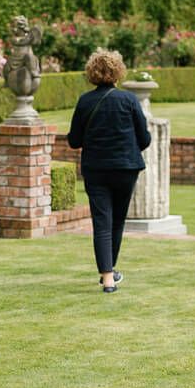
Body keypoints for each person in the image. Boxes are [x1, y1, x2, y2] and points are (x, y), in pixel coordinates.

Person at [66, 51, 151, 293]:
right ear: (118, 71)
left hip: (96, 169)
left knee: (102, 222)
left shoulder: (85, 101)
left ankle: (108, 276)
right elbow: (144, 139)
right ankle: (109, 272)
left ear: (91, 72)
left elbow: (74, 140)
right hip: (126, 168)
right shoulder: (129, 100)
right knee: (116, 222)